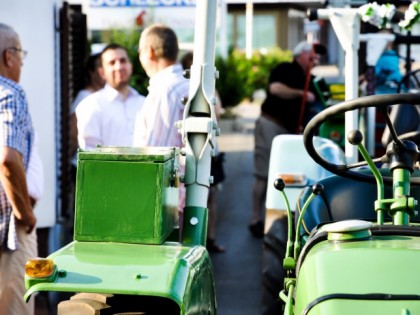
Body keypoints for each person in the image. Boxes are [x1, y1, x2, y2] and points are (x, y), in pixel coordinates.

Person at [249, 41, 324, 238]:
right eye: (312, 56)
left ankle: (279, 218)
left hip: (290, 131)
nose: (315, 60)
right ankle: (256, 218)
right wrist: (301, 94)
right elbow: (275, 89)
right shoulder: (286, 69)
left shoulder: (310, 78)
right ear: (301, 55)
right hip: (271, 124)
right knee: (263, 173)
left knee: (286, 175)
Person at [133, 24, 189, 221]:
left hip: (166, 203)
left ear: (149, 52)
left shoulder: (165, 91)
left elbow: (155, 156)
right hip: (182, 197)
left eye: (139, 51)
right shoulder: (185, 84)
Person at [0, 23, 37, 315]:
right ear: (9, 56)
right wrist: (24, 211)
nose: (22, 63)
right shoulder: (10, 92)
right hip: (8, 231)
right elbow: (8, 158)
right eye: (21, 55)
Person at [181, 51, 225, 253]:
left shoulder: (211, 90)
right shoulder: (191, 92)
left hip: (210, 149)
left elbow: (219, 112)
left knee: (212, 197)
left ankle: (211, 238)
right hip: (193, 152)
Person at [76, 43, 145, 150]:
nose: (119, 67)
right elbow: (90, 154)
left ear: (130, 66)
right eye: (112, 63)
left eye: (123, 61)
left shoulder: (144, 103)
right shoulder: (91, 105)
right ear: (102, 72)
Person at [69, 52, 105, 173]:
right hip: (85, 164)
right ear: (91, 71)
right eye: (99, 66)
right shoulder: (85, 96)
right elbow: (73, 131)